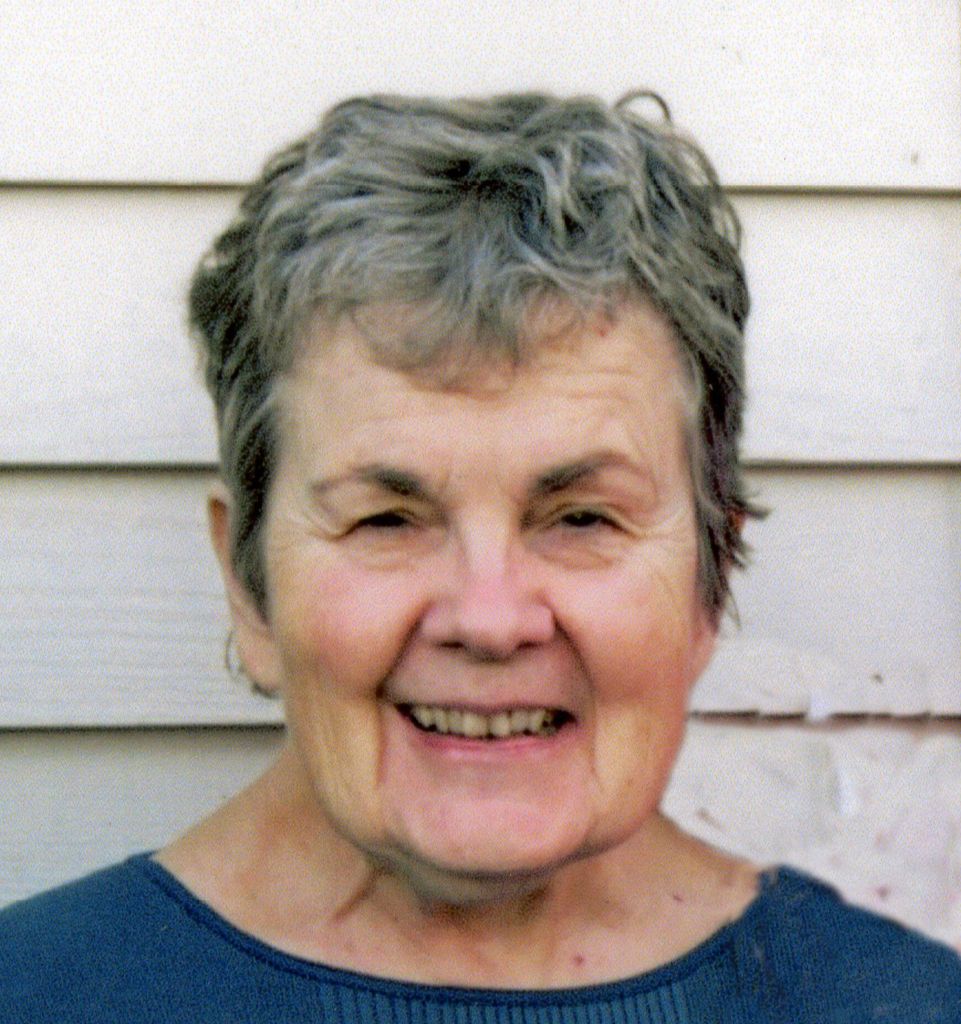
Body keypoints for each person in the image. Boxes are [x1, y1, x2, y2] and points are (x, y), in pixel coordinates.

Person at [1, 90, 959, 1023]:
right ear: (246, 584)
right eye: (387, 520)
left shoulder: (900, 1002)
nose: (491, 620)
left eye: (581, 519)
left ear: (709, 583)